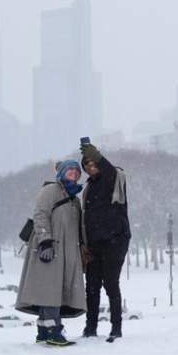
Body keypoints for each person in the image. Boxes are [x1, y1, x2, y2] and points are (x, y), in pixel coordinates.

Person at [15, 159, 87, 347]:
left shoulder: (74, 199)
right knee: (49, 289)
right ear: (61, 173)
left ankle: (43, 331)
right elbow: (40, 215)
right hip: (50, 248)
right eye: (69, 170)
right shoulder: (50, 191)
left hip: (67, 252)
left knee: (53, 289)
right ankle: (54, 331)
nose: (73, 173)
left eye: (76, 171)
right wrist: (45, 241)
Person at [79, 142, 131, 341]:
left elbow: (108, 169)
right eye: (87, 166)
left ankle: (116, 327)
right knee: (91, 287)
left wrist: (97, 155)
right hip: (94, 244)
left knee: (111, 283)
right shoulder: (88, 188)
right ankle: (90, 327)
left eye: (93, 164)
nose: (91, 168)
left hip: (114, 240)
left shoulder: (111, 179)